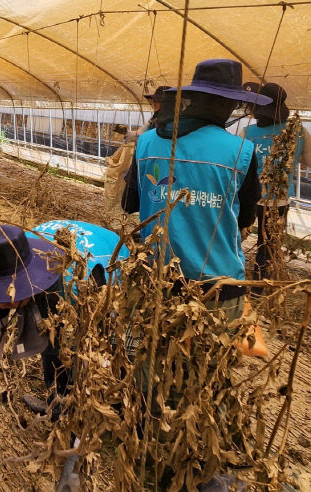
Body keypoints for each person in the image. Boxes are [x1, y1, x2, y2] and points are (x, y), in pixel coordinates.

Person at [121, 59, 270, 490]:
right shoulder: (241, 151)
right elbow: (244, 219)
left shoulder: (148, 142)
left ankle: (151, 443)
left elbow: (131, 203)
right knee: (209, 374)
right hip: (217, 288)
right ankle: (205, 468)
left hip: (156, 280)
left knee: (152, 364)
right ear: (223, 106)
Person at [0, 221, 128, 491]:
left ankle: (103, 420)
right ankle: (57, 404)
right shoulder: (5, 257)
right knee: (48, 329)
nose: (1, 303)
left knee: (78, 353)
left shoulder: (75, 285)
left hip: (110, 265)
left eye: (7, 294)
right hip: (53, 273)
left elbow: (96, 364)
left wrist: (76, 457)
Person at [240, 82, 311, 283]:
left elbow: (239, 168)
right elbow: (308, 160)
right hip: (276, 200)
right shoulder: (298, 131)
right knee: (268, 245)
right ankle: (260, 284)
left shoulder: (247, 133)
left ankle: (251, 284)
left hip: (252, 198)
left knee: (242, 237)